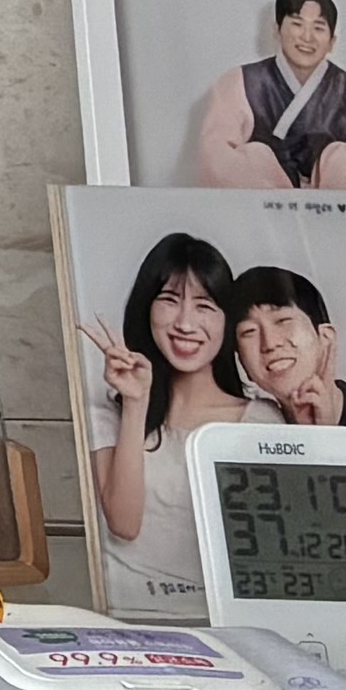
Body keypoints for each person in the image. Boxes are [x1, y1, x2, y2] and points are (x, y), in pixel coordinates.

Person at [68, 229, 252, 618]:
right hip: (127, 616)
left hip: (228, 621)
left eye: (204, 305)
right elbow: (124, 523)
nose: (185, 322)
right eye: (169, 300)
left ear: (227, 320)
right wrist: (137, 403)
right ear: (146, 307)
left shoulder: (261, 420)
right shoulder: (106, 413)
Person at [226, 262, 346, 611]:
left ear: (325, 337)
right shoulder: (250, 444)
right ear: (241, 360)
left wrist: (329, 449)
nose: (270, 343)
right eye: (249, 332)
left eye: (283, 320)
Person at [187, 0, 346, 237]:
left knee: (343, 157)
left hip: (334, 224)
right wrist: (289, 202)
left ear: (332, 41)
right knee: (255, 154)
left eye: (318, 28)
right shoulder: (243, 81)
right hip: (268, 220)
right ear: (277, 30)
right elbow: (214, 158)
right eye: (297, 23)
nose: (307, 37)